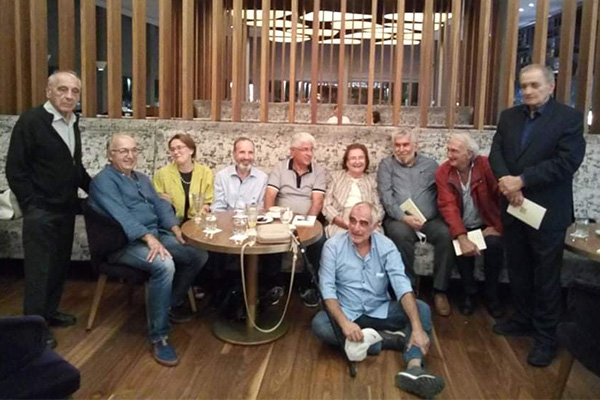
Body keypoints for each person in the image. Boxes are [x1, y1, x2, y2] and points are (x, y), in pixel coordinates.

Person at [489, 64, 585, 367]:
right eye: (524, 86)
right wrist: (508, 184)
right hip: (514, 207)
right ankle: (523, 318)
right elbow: (496, 154)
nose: (528, 91)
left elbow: (567, 162)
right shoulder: (509, 117)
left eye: (534, 85)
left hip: (547, 212)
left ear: (551, 86)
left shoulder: (568, 118)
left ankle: (546, 337)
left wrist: (522, 181)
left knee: (546, 276)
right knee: (518, 268)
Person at [89, 134, 208, 367]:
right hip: (123, 243)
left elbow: (160, 206)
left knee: (198, 254)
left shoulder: (141, 178)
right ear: (110, 155)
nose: (130, 155)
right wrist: (148, 238)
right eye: (123, 151)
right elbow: (121, 215)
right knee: (165, 265)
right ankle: (159, 336)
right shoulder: (103, 181)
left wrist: (175, 229)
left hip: (155, 234)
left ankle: (167, 304)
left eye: (134, 150)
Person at [312, 202, 445, 399]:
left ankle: (414, 367)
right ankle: (387, 340)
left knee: (422, 309)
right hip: (347, 312)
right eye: (352, 221)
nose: (356, 228)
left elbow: (402, 285)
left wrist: (417, 328)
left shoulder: (386, 246)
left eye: (363, 223)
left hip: (380, 309)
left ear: (375, 226)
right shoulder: (332, 246)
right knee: (320, 325)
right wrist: (344, 323)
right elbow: (327, 290)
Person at [6, 70, 91, 348]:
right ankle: (33, 330)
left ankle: (49, 313)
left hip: (66, 209)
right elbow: (15, 170)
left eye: (74, 91)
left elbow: (75, 168)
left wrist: (99, 191)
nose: (69, 96)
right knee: (39, 272)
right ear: (48, 92)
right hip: (40, 211)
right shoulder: (31, 121)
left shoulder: (72, 121)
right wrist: (31, 205)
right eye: (62, 89)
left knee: (58, 267)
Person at [377, 129, 455, 317]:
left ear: (415, 146)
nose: (401, 149)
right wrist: (403, 217)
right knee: (399, 235)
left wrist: (433, 215)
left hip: (429, 220)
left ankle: (440, 291)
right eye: (397, 145)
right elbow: (386, 196)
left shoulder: (431, 165)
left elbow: (443, 193)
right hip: (400, 219)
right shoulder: (387, 165)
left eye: (405, 145)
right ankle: (409, 289)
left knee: (446, 234)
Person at [435, 133, 504, 318]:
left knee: (495, 244)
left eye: (454, 151)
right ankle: (470, 293)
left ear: (469, 153)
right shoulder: (444, 171)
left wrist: (498, 226)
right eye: (448, 150)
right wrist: (461, 236)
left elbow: (502, 196)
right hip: (461, 224)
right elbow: (447, 206)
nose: (449, 155)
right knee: (459, 246)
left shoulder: (485, 165)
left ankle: (492, 294)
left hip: (486, 223)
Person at [264, 132, 328, 307]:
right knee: (269, 236)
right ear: (293, 151)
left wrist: (308, 224)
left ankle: (308, 285)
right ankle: (274, 284)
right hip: (281, 219)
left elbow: (317, 201)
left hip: (308, 220)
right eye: (305, 149)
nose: (309, 154)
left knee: (318, 240)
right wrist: (271, 218)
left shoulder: (318, 171)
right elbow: (270, 195)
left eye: (311, 150)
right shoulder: (280, 168)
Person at [323, 143, 384, 238]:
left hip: (367, 220)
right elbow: (326, 205)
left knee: (375, 239)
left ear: (366, 161)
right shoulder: (335, 177)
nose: (357, 161)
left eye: (361, 158)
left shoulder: (371, 181)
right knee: (343, 240)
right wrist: (340, 221)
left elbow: (378, 207)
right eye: (353, 158)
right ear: (347, 162)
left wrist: (373, 223)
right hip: (341, 218)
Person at [153, 133, 213, 222]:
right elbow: (158, 202)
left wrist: (201, 215)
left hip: (198, 221)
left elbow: (208, 202)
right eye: (172, 149)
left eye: (179, 147)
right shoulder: (162, 174)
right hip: (171, 222)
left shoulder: (205, 173)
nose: (175, 152)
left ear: (191, 150)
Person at [211, 137, 268, 211]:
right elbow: (218, 209)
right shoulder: (222, 176)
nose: (246, 157)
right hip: (227, 218)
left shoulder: (262, 178)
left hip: (252, 218)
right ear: (234, 154)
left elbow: (261, 210)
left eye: (250, 152)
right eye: (242, 152)